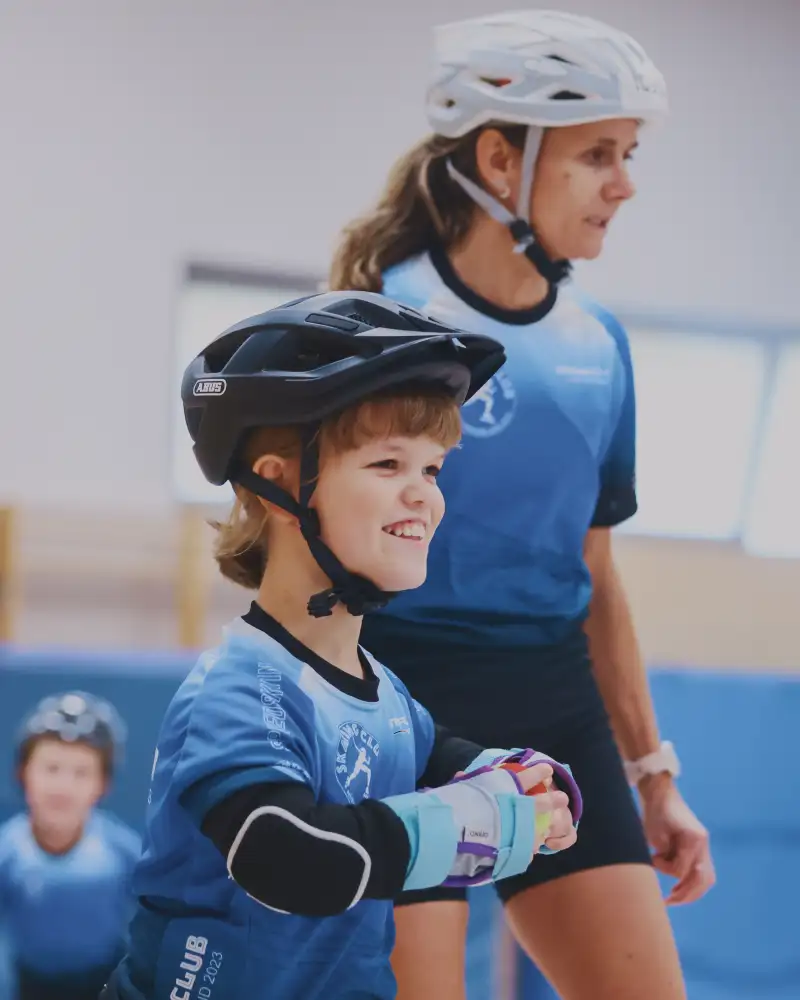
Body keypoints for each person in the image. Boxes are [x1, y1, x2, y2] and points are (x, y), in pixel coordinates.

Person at [329, 10, 715, 1000]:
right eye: (596, 155)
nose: (624, 184)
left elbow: (596, 580)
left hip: (554, 709)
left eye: (627, 154)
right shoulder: (380, 318)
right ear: (500, 159)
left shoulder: (600, 347)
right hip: (399, 707)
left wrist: (652, 775)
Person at [101, 291, 582, 1000]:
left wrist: (525, 778)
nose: (424, 496)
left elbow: (436, 757)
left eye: (432, 469)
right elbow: (288, 859)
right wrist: (485, 819)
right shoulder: (237, 688)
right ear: (278, 486)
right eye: (388, 464)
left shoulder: (384, 693)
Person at [0, 691, 141, 1000]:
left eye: (81, 773)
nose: (64, 786)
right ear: (23, 773)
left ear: (103, 784)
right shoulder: (7, 853)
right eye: (51, 768)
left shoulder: (123, 852)